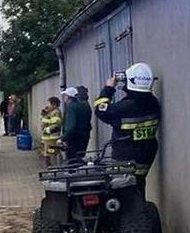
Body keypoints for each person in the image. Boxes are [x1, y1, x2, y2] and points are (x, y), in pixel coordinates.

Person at [95, 63, 160, 197]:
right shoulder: (154, 103)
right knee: (138, 187)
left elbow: (100, 109)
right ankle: (140, 212)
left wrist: (109, 87)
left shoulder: (125, 107)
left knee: (121, 192)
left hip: (125, 158)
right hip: (146, 156)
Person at [61, 86, 92, 162]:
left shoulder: (71, 108)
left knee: (72, 161)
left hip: (74, 139)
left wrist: (63, 138)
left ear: (68, 97)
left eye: (65, 95)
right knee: (80, 157)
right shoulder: (85, 106)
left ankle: (72, 173)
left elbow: (70, 127)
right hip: (84, 137)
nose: (63, 97)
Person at [39, 96, 63, 165]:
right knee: (47, 154)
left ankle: (54, 169)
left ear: (54, 105)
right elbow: (44, 121)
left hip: (52, 138)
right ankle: (50, 168)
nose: (48, 105)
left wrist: (46, 130)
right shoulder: (50, 112)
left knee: (52, 153)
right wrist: (44, 114)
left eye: (49, 104)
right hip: (47, 138)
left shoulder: (56, 112)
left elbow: (56, 125)